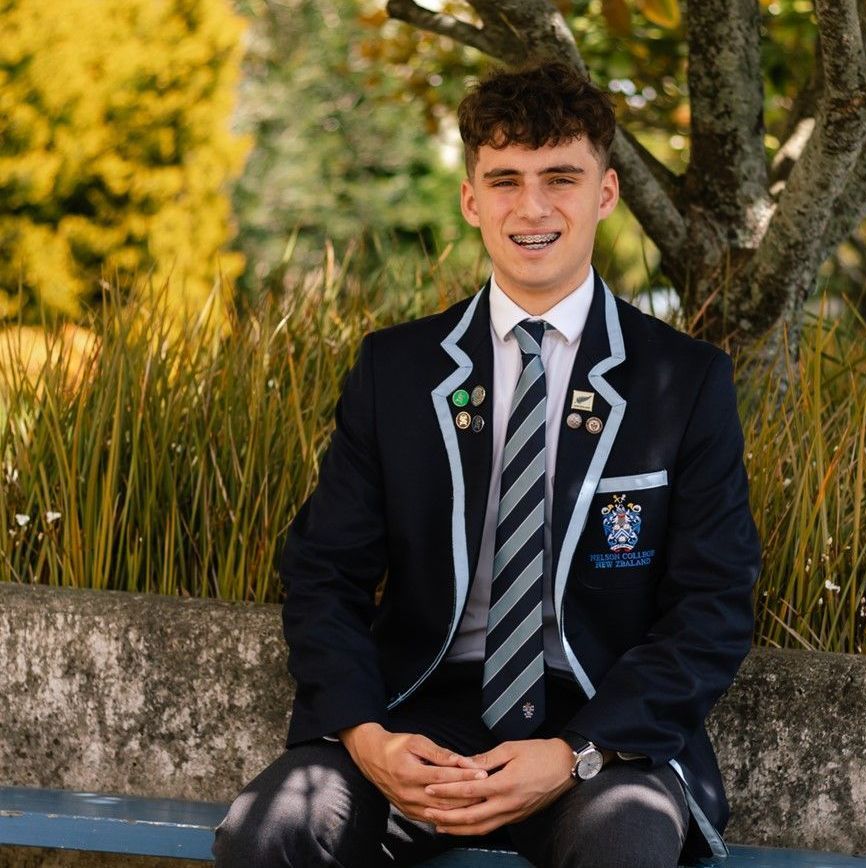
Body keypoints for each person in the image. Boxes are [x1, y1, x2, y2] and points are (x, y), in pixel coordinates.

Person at [214, 62, 761, 868]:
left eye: (561, 178)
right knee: (271, 832)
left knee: (627, 839)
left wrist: (576, 751)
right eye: (504, 180)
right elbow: (323, 574)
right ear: (471, 199)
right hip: (415, 728)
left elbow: (713, 605)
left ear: (605, 194)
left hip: (599, 744)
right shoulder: (395, 372)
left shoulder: (681, 381)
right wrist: (367, 739)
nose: (532, 207)